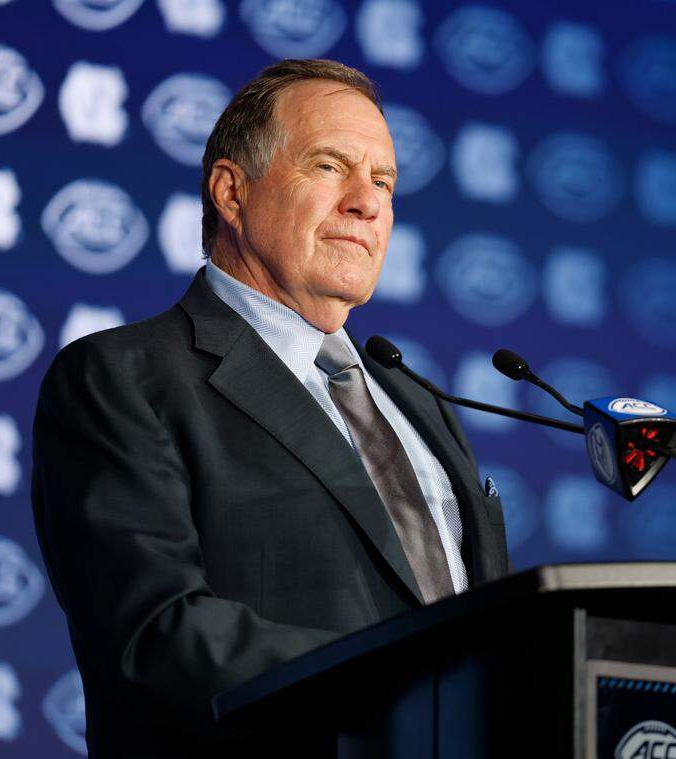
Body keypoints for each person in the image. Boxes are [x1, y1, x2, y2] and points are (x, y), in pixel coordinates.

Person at [31, 59, 510, 758]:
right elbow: (157, 634)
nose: (367, 203)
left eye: (384, 182)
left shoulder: (418, 402)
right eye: (329, 166)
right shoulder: (124, 378)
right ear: (231, 191)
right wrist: (419, 683)